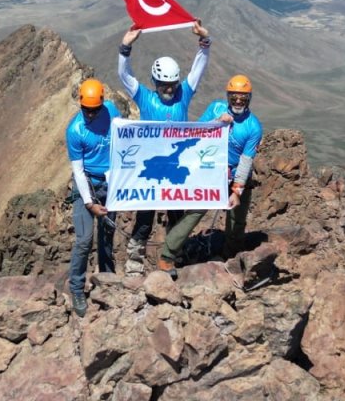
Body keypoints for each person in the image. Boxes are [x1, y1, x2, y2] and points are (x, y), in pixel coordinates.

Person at [117, 20, 211, 274]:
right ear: (155, 82)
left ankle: (175, 255)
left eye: (172, 85)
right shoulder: (144, 96)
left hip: (176, 168)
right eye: (163, 85)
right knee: (144, 220)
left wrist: (204, 42)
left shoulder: (184, 94)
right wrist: (125, 48)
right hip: (151, 169)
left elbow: (198, 69)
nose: (169, 90)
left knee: (177, 216)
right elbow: (125, 76)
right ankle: (135, 262)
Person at [64, 78, 121, 317]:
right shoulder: (75, 130)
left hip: (111, 183)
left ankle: (107, 279)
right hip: (86, 184)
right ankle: (76, 287)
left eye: (94, 110)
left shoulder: (111, 113)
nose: (89, 115)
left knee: (107, 235)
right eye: (86, 110)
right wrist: (89, 203)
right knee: (84, 240)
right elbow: (78, 170)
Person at [200, 74, 263, 257]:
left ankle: (230, 257)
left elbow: (246, 161)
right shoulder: (216, 108)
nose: (237, 101)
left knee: (237, 220)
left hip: (237, 174)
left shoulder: (253, 126)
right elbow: (195, 132)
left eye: (242, 98)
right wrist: (217, 122)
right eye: (233, 97)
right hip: (211, 171)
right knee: (195, 211)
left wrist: (236, 191)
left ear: (248, 99)